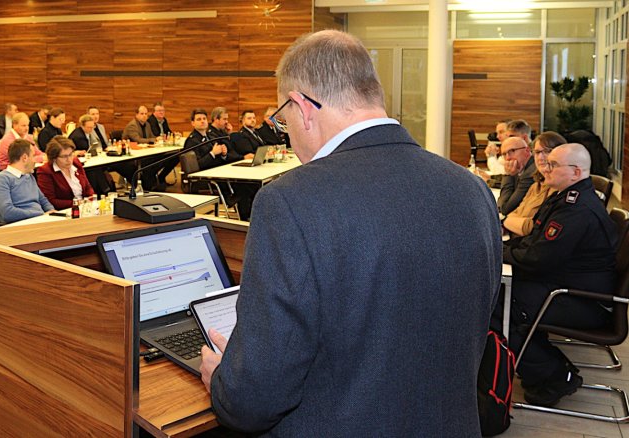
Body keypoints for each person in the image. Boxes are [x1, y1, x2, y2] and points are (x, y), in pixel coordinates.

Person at [198, 30, 500, 436]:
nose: (288, 133)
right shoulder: (471, 189)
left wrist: (225, 381)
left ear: (303, 107)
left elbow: (255, 401)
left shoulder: (290, 201)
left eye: (283, 120)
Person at [501, 143, 616, 407]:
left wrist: (499, 252)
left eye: (553, 165)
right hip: (564, 286)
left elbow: (538, 258)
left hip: (583, 301)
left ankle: (554, 377)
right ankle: (543, 366)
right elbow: (534, 243)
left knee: (500, 305)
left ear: (576, 172)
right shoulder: (565, 197)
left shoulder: (577, 209)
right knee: (500, 297)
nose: (545, 169)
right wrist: (505, 250)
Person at [187, 108, 253, 219]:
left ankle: (248, 214)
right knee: (245, 186)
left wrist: (223, 154)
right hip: (207, 176)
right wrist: (212, 154)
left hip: (220, 171)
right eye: (198, 119)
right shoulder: (192, 141)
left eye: (204, 119)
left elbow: (220, 157)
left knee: (249, 182)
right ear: (192, 123)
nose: (202, 121)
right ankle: (245, 217)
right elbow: (197, 165)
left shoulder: (209, 137)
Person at [502, 131, 567, 237]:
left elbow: (533, 227)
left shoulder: (559, 188)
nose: (540, 157)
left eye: (547, 151)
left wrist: (506, 221)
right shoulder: (536, 185)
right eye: (537, 152)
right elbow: (515, 212)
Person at [0, 139, 55, 223]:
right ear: (24, 158)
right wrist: (41, 214)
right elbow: (7, 213)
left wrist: (51, 211)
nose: (35, 161)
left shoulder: (29, 176)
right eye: (33, 156)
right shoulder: (1, 179)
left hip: (40, 220)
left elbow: (43, 200)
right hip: (22, 224)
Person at [36, 136, 95, 209]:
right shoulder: (45, 171)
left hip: (85, 207)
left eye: (70, 154)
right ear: (54, 158)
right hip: (65, 210)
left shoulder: (76, 163)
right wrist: (77, 203)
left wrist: (91, 197)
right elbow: (50, 201)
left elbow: (87, 187)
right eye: (64, 156)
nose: (69, 159)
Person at [498, 136, 536, 215]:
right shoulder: (521, 167)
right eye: (504, 154)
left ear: (527, 150)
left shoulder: (530, 173)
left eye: (512, 151)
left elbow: (505, 208)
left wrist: (508, 174)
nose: (508, 158)